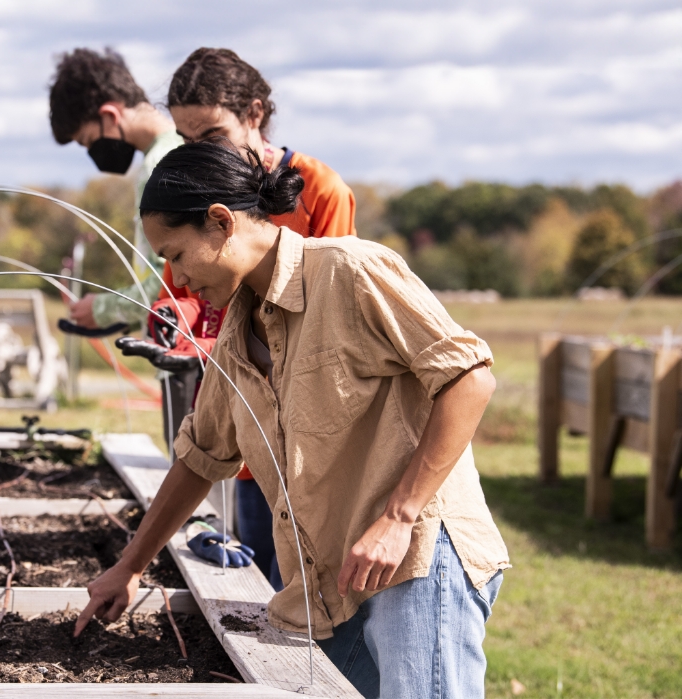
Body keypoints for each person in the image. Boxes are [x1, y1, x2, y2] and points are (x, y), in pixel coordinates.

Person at [75, 142, 509, 699]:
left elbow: (469, 379)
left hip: (416, 557)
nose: (176, 280)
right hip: (335, 579)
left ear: (220, 222)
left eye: (177, 255)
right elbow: (200, 456)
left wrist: (398, 516)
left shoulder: (350, 271)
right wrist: (130, 567)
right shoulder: (235, 330)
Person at [160, 47, 359, 589]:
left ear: (253, 113)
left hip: (304, 416)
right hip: (243, 411)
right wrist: (176, 317)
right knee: (257, 575)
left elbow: (330, 304)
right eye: (185, 142)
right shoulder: (196, 195)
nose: (196, 152)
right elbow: (181, 287)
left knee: (304, 571)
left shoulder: (320, 190)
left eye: (210, 137)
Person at [48, 47, 184, 330]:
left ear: (109, 114)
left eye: (88, 140)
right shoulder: (177, 148)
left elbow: (170, 280)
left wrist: (103, 310)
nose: (92, 154)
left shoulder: (159, 165)